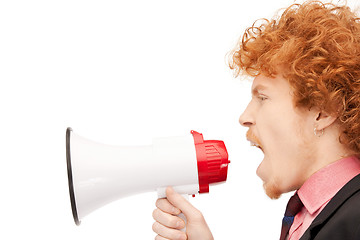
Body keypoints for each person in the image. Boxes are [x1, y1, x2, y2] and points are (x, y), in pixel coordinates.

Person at [152, 1, 360, 239]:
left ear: (322, 111)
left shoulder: (355, 218)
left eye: (262, 97)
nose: (244, 118)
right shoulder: (322, 216)